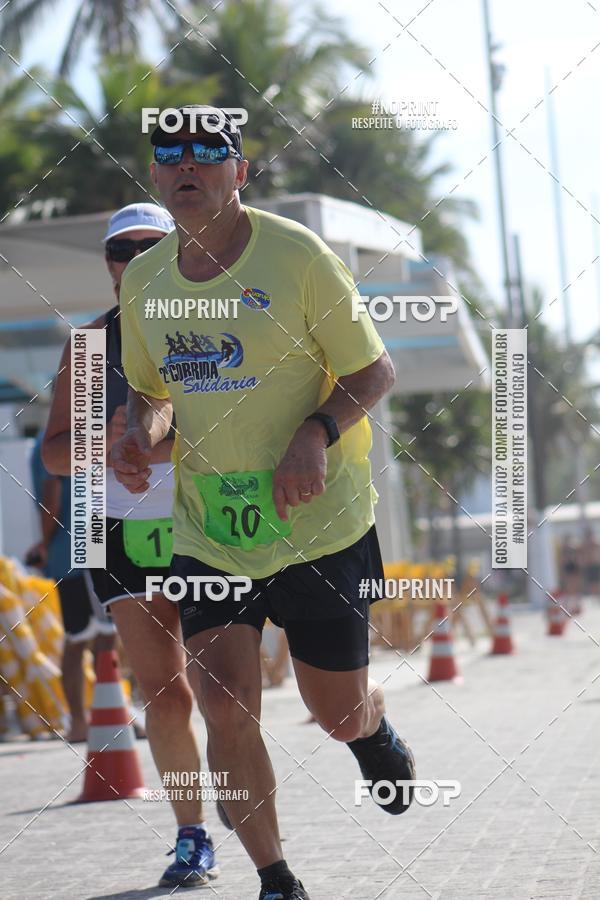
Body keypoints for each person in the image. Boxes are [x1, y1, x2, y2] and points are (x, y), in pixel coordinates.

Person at [112, 106, 416, 900]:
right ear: (156, 174)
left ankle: (371, 727)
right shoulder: (145, 281)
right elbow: (152, 392)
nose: (186, 165)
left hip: (320, 522)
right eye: (170, 153)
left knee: (335, 713)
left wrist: (316, 433)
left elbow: (375, 371)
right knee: (222, 701)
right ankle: (276, 877)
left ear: (239, 171)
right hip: (211, 530)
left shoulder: (297, 256)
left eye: (206, 152)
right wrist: (139, 432)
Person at [42, 203, 219, 889]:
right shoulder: (88, 346)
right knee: (165, 695)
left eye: (151, 247)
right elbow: (55, 455)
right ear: (109, 264)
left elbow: (238, 432)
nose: (136, 260)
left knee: (224, 690)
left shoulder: (209, 328)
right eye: (123, 250)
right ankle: (191, 834)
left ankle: (245, 792)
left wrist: (148, 444)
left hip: (205, 518)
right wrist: (109, 445)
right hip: (118, 529)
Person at [26, 429, 117, 743]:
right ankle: (107, 717)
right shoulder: (74, 435)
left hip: (69, 552)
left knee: (78, 637)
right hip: (88, 549)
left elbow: (50, 497)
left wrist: (46, 545)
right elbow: (51, 496)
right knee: (104, 635)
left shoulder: (47, 440)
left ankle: (84, 721)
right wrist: (46, 542)